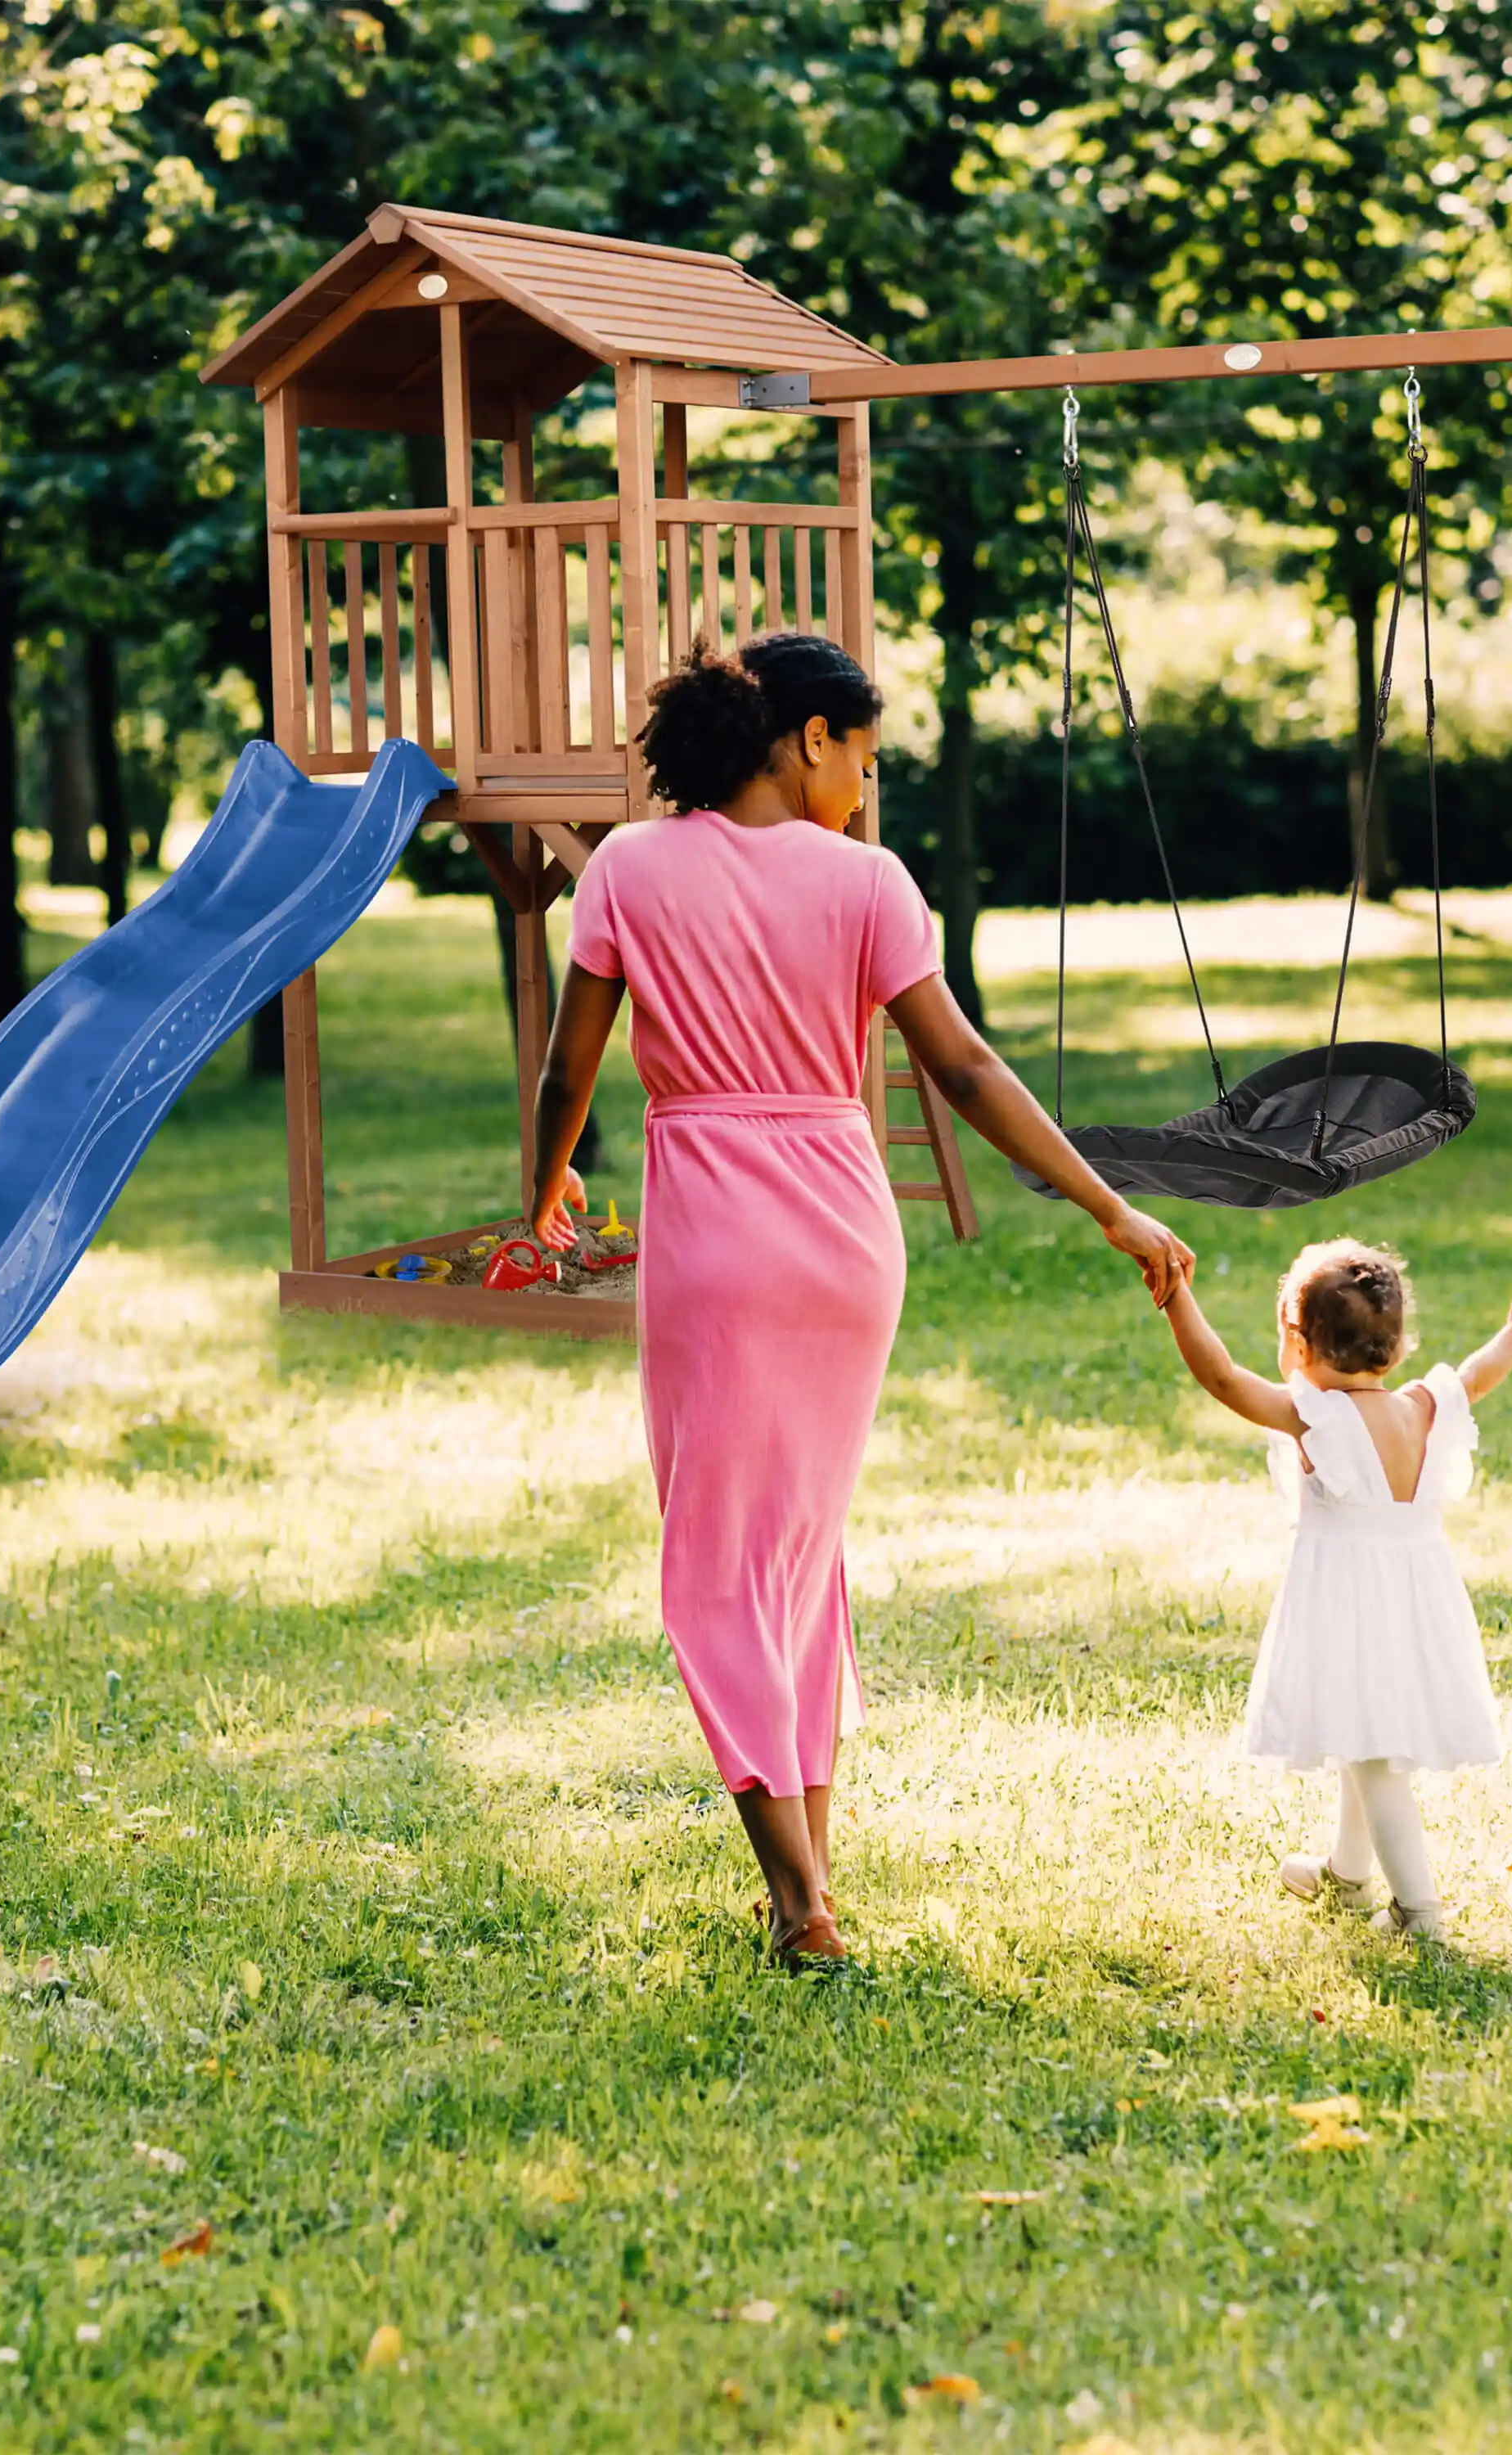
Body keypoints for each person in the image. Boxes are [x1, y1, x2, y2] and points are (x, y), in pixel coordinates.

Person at [529, 633, 1194, 1966]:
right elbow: (964, 1071)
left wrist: (541, 1191)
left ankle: (798, 1900)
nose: (868, 791)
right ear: (808, 739)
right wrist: (1109, 1203)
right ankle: (812, 1876)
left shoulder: (628, 870)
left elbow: (568, 1071)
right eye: (866, 760)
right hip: (844, 1232)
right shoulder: (871, 886)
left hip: (714, 1233)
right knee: (798, 1555)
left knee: (718, 1564)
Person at [1158, 1238, 1512, 1941]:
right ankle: (1347, 1875)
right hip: (1415, 1600)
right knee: (1359, 1730)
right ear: (1397, 1346)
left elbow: (1221, 1378)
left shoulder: (1317, 1418)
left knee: (1373, 1757)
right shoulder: (1425, 1405)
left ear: (1300, 1344)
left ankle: (1418, 1911)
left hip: (1351, 1605)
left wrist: (1176, 1296)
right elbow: (1479, 1372)